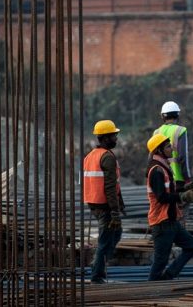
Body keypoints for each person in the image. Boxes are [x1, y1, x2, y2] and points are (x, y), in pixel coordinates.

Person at [146, 133, 193, 281]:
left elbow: (170, 192)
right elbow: (162, 197)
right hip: (162, 222)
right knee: (160, 263)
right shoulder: (156, 171)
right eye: (168, 146)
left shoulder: (163, 168)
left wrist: (186, 188)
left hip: (171, 220)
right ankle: (150, 291)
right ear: (159, 150)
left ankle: (168, 276)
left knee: (191, 246)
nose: (171, 148)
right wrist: (184, 196)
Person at [83, 120, 126, 284]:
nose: (116, 138)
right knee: (105, 240)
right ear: (106, 137)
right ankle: (97, 275)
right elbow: (109, 186)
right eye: (114, 135)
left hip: (94, 203)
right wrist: (115, 210)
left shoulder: (90, 156)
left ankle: (98, 265)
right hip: (105, 205)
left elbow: (112, 184)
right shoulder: (106, 157)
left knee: (116, 233)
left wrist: (119, 205)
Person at [153, 101, 192, 190]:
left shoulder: (156, 132)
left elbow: (153, 156)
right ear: (177, 115)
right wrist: (187, 178)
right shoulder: (181, 130)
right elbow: (183, 157)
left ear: (162, 116)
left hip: (160, 177)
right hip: (178, 178)